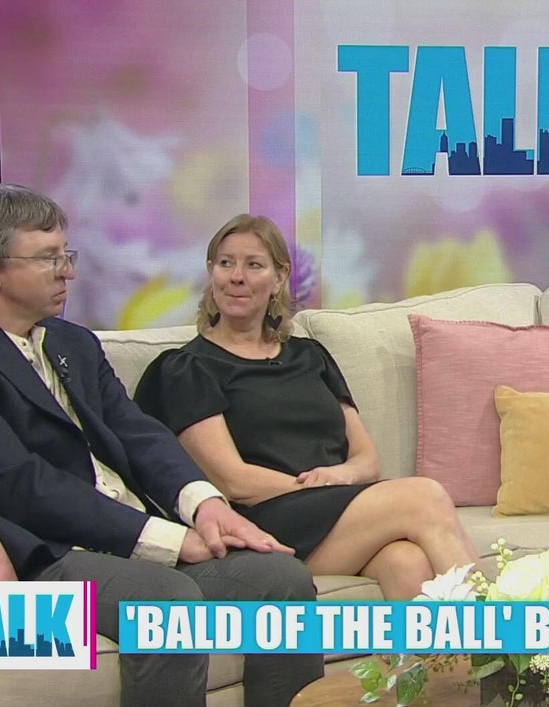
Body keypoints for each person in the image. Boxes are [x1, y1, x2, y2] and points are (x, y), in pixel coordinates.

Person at [0, 184, 323, 707]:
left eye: (66, 254)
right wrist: (166, 540)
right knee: (166, 605)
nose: (67, 272)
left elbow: (138, 432)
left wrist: (206, 505)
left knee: (282, 578)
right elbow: (23, 487)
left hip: (133, 538)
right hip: (49, 560)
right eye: (48, 258)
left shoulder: (72, 342)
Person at [133, 214, 479, 600]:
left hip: (334, 512)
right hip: (262, 519)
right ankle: (506, 627)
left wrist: (339, 476)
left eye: (254, 265)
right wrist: (313, 486)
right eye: (225, 263)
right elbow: (233, 481)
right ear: (211, 271)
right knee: (425, 496)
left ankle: (456, 641)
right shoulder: (187, 369)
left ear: (279, 277)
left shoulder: (309, 356)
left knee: (406, 562)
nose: (237, 277)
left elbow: (367, 459)